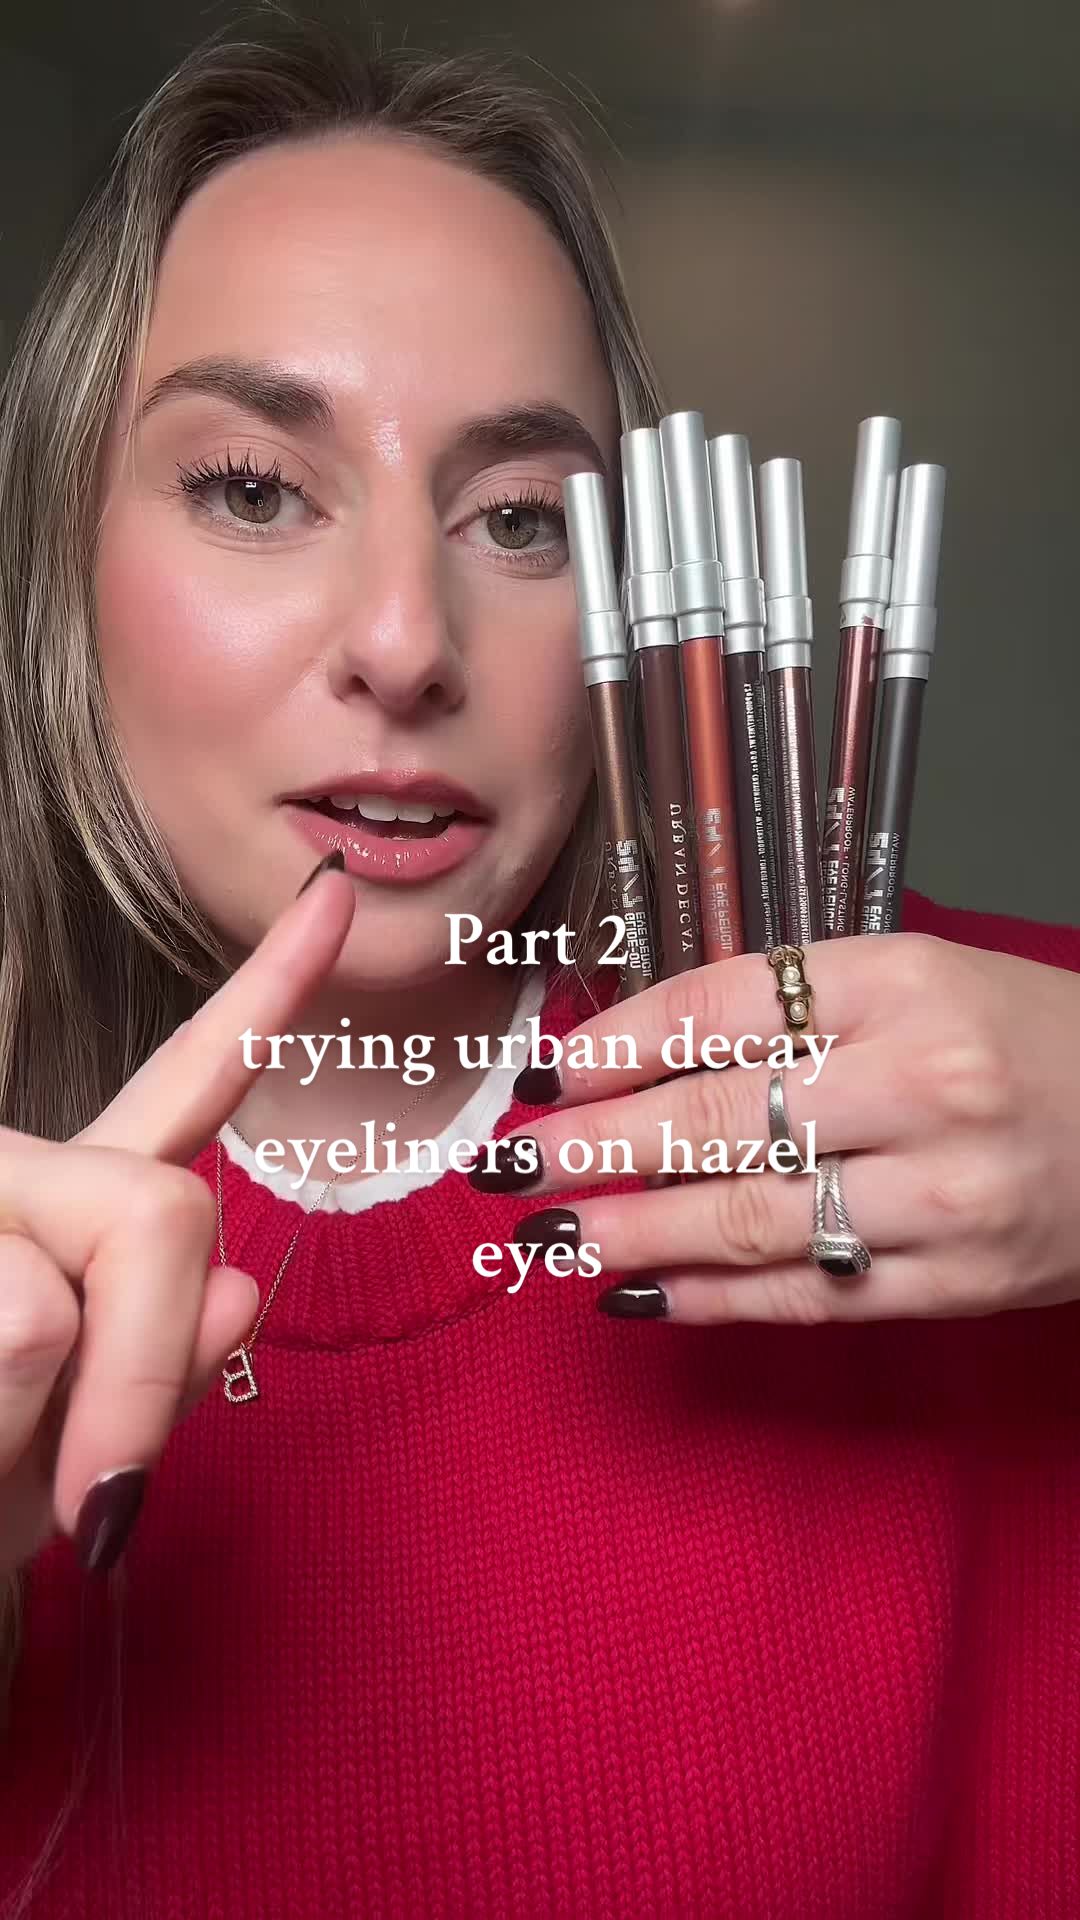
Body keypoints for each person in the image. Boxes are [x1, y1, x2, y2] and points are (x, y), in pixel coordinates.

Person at [1, 17, 1078, 1918]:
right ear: (59, 560)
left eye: (521, 519)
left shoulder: (978, 1089)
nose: (406, 643)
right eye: (252, 488)